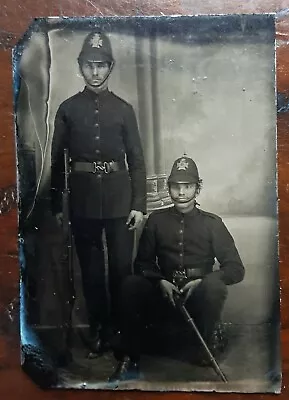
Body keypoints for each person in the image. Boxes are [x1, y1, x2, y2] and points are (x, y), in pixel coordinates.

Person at [50, 30, 146, 364]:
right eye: (89, 65)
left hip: (121, 202)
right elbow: (57, 159)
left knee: (121, 270)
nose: (95, 71)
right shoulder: (67, 109)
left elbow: (137, 160)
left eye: (101, 65)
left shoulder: (123, 110)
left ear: (110, 67)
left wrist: (138, 205)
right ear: (80, 67)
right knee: (90, 272)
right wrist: (56, 205)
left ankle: (122, 335)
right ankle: (101, 330)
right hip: (83, 202)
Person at [109, 155, 245, 382]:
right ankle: (130, 357)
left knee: (214, 286)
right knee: (131, 284)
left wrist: (204, 281)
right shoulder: (156, 221)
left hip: (198, 299)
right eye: (176, 187)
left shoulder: (213, 224)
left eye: (188, 186)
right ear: (168, 188)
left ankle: (205, 340)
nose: (181, 193)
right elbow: (142, 263)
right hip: (164, 296)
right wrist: (159, 281)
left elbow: (235, 268)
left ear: (198, 188)